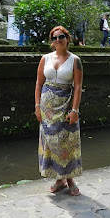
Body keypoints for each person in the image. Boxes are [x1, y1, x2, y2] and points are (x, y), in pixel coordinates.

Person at [34, 26, 83, 196]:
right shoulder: (45, 59)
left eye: (61, 37)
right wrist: (37, 107)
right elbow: (39, 84)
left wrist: (75, 110)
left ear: (67, 38)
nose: (57, 40)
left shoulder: (75, 60)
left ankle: (70, 179)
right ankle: (59, 179)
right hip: (47, 107)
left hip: (66, 105)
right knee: (51, 143)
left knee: (67, 142)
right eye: (54, 38)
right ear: (51, 41)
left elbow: (77, 87)